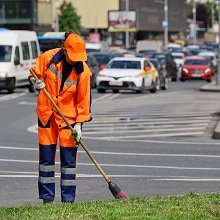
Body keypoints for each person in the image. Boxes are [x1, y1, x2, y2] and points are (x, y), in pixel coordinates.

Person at [29, 31, 92, 204]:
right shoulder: (48, 58)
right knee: (46, 160)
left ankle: (68, 200)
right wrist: (36, 83)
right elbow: (33, 74)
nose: (75, 60)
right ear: (64, 50)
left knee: (69, 163)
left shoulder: (83, 72)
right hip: (47, 116)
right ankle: (47, 199)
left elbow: (83, 102)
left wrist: (79, 126)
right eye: (73, 56)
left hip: (69, 121)